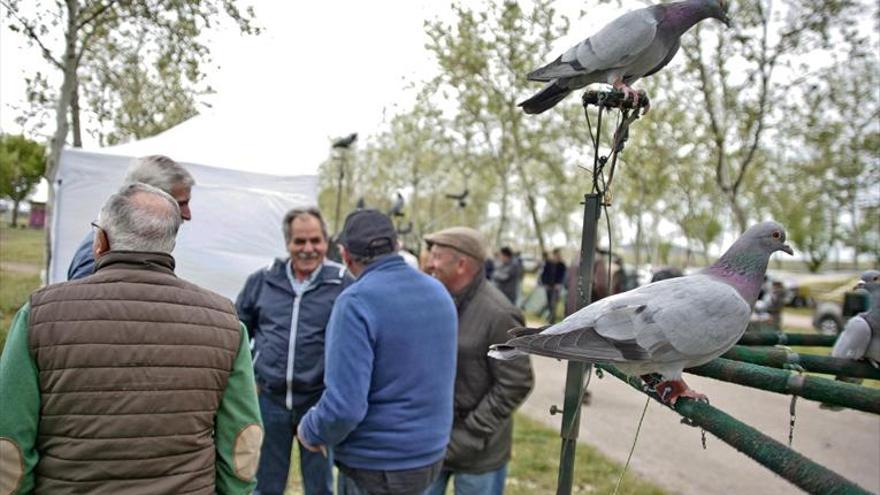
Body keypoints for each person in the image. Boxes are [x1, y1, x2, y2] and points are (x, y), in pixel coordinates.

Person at [0, 182, 262, 494]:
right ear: (169, 244)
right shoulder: (225, 322)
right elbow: (242, 444)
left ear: (101, 241)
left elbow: (10, 442)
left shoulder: (39, 315)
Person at [297, 209, 458, 495]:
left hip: (378, 465)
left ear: (345, 256)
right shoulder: (439, 292)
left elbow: (344, 407)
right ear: (396, 246)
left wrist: (309, 429)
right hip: (429, 455)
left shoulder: (356, 302)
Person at [235, 207, 353, 495]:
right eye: (299, 242)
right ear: (288, 243)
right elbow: (239, 331)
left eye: (315, 241)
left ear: (326, 242)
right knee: (266, 484)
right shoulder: (262, 281)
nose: (308, 249)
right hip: (269, 400)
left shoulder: (344, 284)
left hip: (319, 403)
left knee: (320, 486)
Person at [423, 227, 534, 495]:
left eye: (437, 256)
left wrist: (471, 433)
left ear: (461, 264)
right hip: (433, 443)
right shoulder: (435, 300)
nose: (429, 264)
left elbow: (517, 382)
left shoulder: (500, 314)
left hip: (479, 454)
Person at [67, 154, 194, 280]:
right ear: (147, 196)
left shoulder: (121, 246)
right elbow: (81, 297)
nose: (188, 215)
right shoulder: (96, 255)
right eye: (180, 204)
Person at [539, 248, 567, 323]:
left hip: (556, 288)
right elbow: (543, 274)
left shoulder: (562, 265)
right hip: (548, 286)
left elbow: (563, 276)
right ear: (554, 255)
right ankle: (550, 317)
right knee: (549, 303)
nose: (558, 256)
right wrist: (544, 283)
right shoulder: (548, 263)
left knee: (553, 303)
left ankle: (551, 320)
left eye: (559, 254)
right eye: (556, 254)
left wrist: (559, 284)